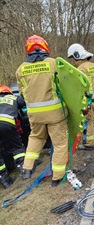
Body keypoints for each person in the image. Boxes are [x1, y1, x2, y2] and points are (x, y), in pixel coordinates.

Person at [15, 35, 68, 187]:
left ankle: (26, 169)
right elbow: (65, 85)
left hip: (34, 114)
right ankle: (57, 178)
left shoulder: (20, 70)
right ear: (44, 47)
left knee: (36, 138)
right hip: (55, 113)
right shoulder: (54, 63)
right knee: (59, 144)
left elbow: (23, 93)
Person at [67, 43, 94, 151]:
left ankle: (88, 143)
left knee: (88, 120)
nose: (73, 62)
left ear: (77, 56)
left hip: (90, 100)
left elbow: (78, 87)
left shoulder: (80, 69)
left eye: (73, 59)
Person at [0, 85, 26, 188]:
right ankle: (24, 170)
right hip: (6, 124)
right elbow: (24, 102)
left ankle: (5, 180)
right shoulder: (13, 97)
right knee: (17, 147)